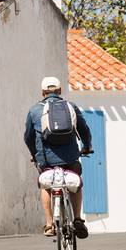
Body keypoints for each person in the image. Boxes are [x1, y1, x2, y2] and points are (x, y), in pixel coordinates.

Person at [24, 76, 92, 238]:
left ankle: (49, 224)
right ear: (60, 91)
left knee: (46, 185)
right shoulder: (70, 106)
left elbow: (28, 137)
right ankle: (77, 218)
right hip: (70, 157)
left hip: (45, 159)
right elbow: (83, 129)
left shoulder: (34, 110)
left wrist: (35, 155)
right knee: (75, 182)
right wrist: (87, 146)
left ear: (43, 92)